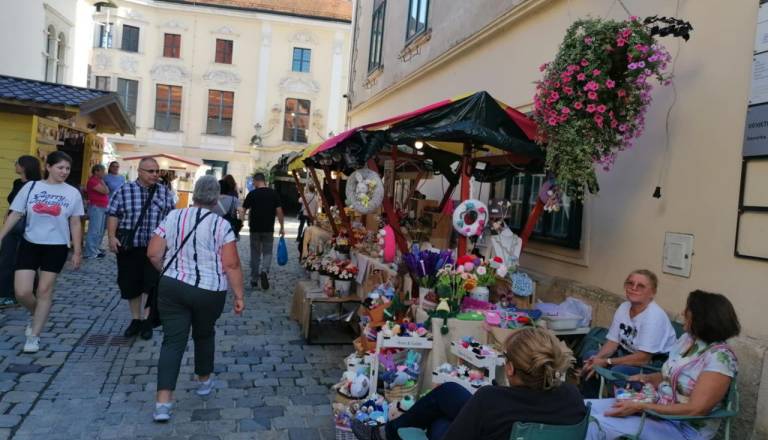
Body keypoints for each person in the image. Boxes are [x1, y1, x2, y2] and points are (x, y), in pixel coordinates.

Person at [353, 327, 587, 440]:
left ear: (510, 368)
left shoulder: (491, 399)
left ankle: (386, 434)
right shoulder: (571, 395)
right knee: (449, 392)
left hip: (495, 423)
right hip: (509, 425)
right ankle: (386, 433)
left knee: (440, 421)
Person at [147, 175, 245, 422]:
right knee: (204, 333)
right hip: (209, 290)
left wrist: (168, 272)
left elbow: (153, 253)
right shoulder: (222, 226)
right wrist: (239, 295)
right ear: (217, 197)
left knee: (172, 342)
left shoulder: (173, 216)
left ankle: (163, 403)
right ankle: (203, 380)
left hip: (172, 287)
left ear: (194, 194)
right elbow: (231, 264)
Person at [586, 290, 740, 439]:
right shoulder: (687, 340)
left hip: (682, 427)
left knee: (594, 424)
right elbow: (669, 375)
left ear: (702, 318)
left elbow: (696, 409)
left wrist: (641, 407)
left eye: (687, 310)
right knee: (582, 409)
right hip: (656, 407)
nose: (682, 313)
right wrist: (645, 378)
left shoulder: (720, 358)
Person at [0, 151, 84, 353]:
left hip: (56, 247)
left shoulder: (72, 193)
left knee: (44, 290)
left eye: (67, 169)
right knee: (22, 292)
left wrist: (77, 251)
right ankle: (39, 312)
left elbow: (75, 222)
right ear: (48, 167)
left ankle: (34, 336)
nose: (64, 172)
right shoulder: (31, 187)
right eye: (60, 167)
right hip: (31, 243)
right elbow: (16, 213)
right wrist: (1, 236)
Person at [107, 157, 175, 340]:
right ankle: (135, 319)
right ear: (140, 171)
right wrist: (112, 236)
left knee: (151, 284)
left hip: (156, 248)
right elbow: (113, 213)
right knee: (131, 284)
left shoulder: (164, 193)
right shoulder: (124, 190)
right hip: (130, 246)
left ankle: (146, 320)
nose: (155, 175)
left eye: (156, 171)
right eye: (150, 171)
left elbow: (171, 218)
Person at [581, 269, 677, 397]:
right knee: (590, 357)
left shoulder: (654, 316)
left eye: (641, 286)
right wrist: (598, 358)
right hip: (627, 354)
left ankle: (618, 408)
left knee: (619, 371)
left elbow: (643, 358)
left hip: (653, 364)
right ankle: (589, 403)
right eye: (630, 283)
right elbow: (612, 342)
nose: (634, 288)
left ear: (652, 293)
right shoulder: (624, 307)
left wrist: (607, 361)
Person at [0, 155, 41, 307]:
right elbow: (12, 205)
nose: (15, 165)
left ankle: (19, 293)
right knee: (6, 260)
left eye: (17, 163)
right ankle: (6, 293)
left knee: (23, 261)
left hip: (26, 227)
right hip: (12, 226)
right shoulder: (17, 182)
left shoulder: (36, 185)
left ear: (24, 167)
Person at [242, 172, 284, 290]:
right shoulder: (273, 194)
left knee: (255, 253)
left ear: (256, 181)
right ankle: (264, 270)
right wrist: (282, 227)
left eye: (253, 182)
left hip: (255, 229)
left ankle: (254, 279)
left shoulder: (252, 194)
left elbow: (243, 210)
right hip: (268, 229)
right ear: (264, 181)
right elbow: (279, 212)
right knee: (267, 252)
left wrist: (240, 222)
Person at [84, 164, 109, 259]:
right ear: (96, 171)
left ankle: (95, 249)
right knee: (94, 230)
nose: (104, 173)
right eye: (102, 171)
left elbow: (107, 190)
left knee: (100, 230)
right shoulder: (93, 181)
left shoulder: (99, 180)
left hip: (102, 207)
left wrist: (102, 181)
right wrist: (103, 182)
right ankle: (90, 252)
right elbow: (105, 191)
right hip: (96, 207)